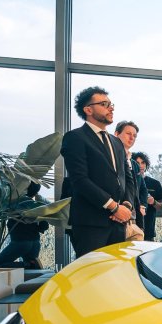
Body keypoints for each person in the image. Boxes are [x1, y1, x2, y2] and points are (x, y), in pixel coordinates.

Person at [61, 87, 138, 257]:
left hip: (118, 223)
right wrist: (114, 207)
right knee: (92, 271)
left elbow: (127, 178)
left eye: (111, 104)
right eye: (104, 104)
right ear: (88, 110)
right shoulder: (75, 137)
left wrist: (126, 206)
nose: (111, 108)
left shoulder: (116, 142)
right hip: (91, 223)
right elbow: (80, 180)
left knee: (115, 270)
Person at [0, 183, 48, 268]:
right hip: (35, 243)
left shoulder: (15, 203)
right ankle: (31, 265)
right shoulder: (36, 205)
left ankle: (28, 265)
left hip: (20, 242)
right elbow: (44, 226)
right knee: (30, 271)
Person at [114, 120, 145, 223]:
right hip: (114, 215)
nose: (132, 138)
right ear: (116, 134)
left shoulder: (135, 165)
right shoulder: (110, 159)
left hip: (133, 217)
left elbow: (139, 189)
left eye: (134, 136)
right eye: (128, 134)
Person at [133, 152, 162, 241]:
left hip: (149, 231)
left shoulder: (155, 183)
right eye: (137, 163)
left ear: (146, 164)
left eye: (143, 162)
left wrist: (153, 202)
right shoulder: (128, 182)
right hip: (131, 229)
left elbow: (161, 207)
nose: (140, 165)